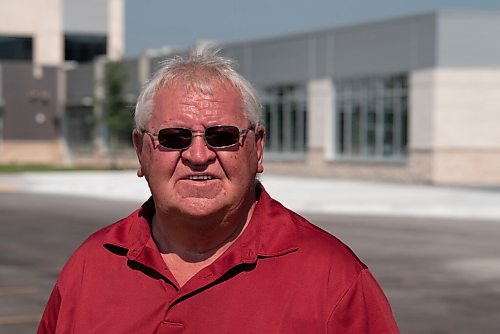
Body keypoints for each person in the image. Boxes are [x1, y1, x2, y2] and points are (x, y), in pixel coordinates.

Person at [38, 48, 399, 333]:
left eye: (222, 137)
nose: (198, 155)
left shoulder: (333, 279)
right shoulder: (90, 266)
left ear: (257, 149)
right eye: (173, 138)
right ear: (140, 151)